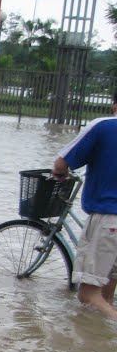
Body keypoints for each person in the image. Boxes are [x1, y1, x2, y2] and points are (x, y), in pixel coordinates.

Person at [52, 90, 117, 320]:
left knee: (88, 295)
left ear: (114, 105)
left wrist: (61, 173)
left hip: (108, 219)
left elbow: (61, 164)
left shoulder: (104, 126)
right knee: (106, 298)